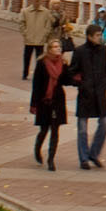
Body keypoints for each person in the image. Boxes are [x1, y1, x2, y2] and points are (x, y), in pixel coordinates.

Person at [70, 21, 106, 169]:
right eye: (97, 35)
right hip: (86, 94)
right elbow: (73, 72)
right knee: (82, 127)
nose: (100, 38)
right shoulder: (80, 51)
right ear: (89, 37)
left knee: (105, 122)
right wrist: (81, 84)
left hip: (100, 93)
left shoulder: (103, 50)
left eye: (101, 35)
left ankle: (94, 153)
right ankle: (83, 158)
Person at [29, 37, 70, 170]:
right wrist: (34, 103)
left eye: (59, 47)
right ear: (49, 49)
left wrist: (79, 78)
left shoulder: (63, 64)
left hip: (57, 100)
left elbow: (66, 80)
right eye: (55, 47)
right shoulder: (42, 63)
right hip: (44, 101)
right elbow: (36, 85)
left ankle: (51, 159)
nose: (58, 49)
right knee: (44, 129)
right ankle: (37, 148)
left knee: (55, 130)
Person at [20, 0, 54, 81]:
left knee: (39, 59)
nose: (36, 2)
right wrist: (25, 33)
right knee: (27, 57)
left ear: (40, 0)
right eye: (35, 0)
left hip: (40, 39)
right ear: (32, 0)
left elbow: (48, 25)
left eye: (38, 1)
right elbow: (21, 23)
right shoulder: (25, 11)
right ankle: (25, 73)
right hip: (29, 39)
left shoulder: (46, 12)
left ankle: (38, 75)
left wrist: (45, 34)